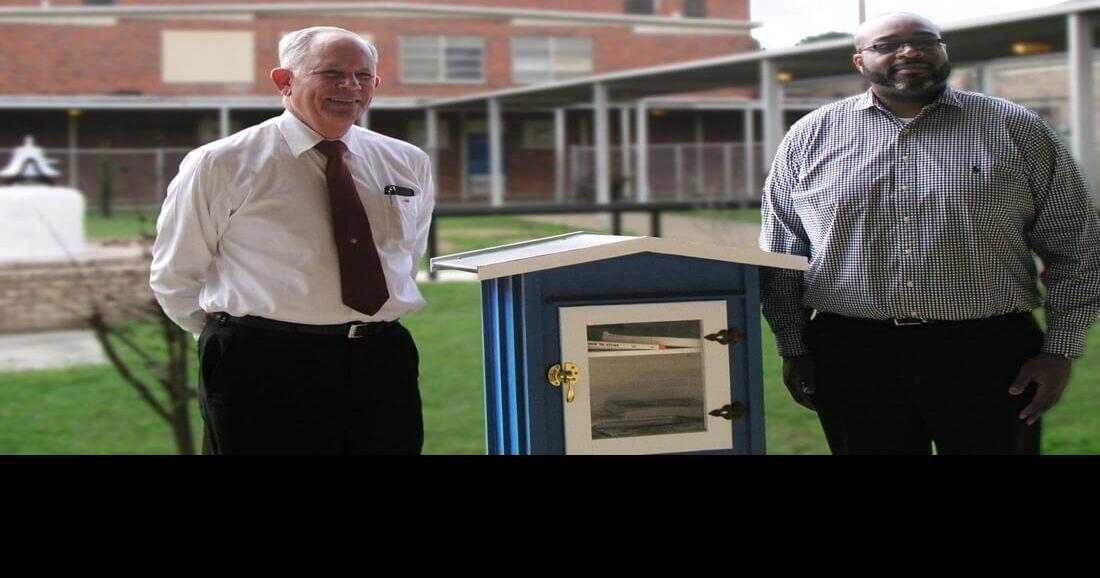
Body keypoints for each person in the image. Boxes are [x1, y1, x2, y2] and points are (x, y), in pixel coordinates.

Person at [759, 13, 1100, 454]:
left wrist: (1059, 351)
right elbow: (781, 254)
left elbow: (1078, 247)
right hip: (851, 353)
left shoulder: (1018, 129)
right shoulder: (809, 137)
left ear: (943, 51)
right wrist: (792, 345)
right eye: (887, 45)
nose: (909, 51)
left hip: (989, 352)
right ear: (860, 61)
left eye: (924, 41)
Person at [150, 26, 435, 454]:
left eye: (363, 76)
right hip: (259, 367)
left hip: (380, 360)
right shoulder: (222, 164)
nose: (350, 87)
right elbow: (175, 276)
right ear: (284, 81)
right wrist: (236, 338)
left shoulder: (406, 161)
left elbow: (407, 255)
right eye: (333, 73)